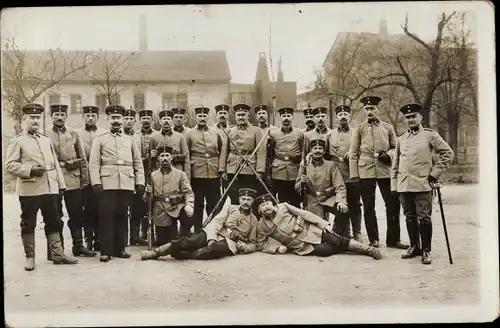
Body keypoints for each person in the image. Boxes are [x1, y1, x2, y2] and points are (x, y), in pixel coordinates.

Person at [5, 103, 78, 270]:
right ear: (24, 119)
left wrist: (61, 184)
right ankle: (30, 258)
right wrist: (29, 170)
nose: (35, 120)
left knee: (54, 221)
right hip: (30, 189)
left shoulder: (45, 140)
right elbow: (9, 165)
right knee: (28, 223)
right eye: (32, 117)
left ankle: (58, 254)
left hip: (49, 189)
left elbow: (55, 165)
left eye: (38, 117)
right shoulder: (18, 141)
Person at [392, 103, 454, 264]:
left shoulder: (429, 135)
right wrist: (394, 186)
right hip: (404, 185)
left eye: (413, 116)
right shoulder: (401, 139)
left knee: (424, 218)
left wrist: (434, 174)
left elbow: (447, 153)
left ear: (420, 118)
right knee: (409, 217)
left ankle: (426, 250)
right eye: (408, 117)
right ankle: (414, 247)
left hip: (422, 183)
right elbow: (396, 164)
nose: (411, 119)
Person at [349, 95, 409, 249]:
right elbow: (353, 152)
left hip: (385, 170)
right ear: (364, 110)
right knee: (369, 206)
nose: (369, 111)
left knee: (393, 204)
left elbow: (396, 148)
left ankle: (393, 239)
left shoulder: (387, 127)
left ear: (378, 109)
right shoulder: (359, 129)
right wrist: (354, 175)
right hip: (365, 170)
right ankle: (373, 239)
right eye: (367, 109)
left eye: (372, 108)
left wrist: (387, 155)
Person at [89, 105, 145, 262]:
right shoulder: (100, 140)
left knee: (122, 216)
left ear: (122, 120)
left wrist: (140, 181)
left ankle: (120, 248)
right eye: (113, 118)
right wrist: (96, 183)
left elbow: (137, 162)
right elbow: (93, 164)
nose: (116, 121)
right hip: (107, 184)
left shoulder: (130, 140)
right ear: (108, 119)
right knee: (106, 216)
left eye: (118, 118)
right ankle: (106, 250)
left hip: (126, 183)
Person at [140, 188, 259, 261]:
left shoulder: (254, 220)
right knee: (189, 241)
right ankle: (156, 253)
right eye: (243, 199)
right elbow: (217, 221)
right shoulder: (231, 208)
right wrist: (212, 237)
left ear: (253, 202)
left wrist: (245, 248)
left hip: (230, 242)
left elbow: (253, 244)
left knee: (211, 250)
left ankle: (185, 255)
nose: (245, 202)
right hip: (215, 232)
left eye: (249, 200)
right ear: (239, 199)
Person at [254, 194, 382, 260]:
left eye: (268, 203)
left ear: (272, 203)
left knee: (336, 240)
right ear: (259, 210)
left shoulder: (283, 207)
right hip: (301, 246)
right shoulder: (261, 226)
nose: (267, 207)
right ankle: (346, 244)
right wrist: (276, 248)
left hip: (312, 231)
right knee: (325, 251)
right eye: (263, 206)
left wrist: (323, 224)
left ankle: (368, 250)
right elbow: (261, 244)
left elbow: (305, 214)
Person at [46, 104, 96, 258]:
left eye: (62, 115)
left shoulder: (73, 133)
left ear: (66, 117)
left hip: (73, 180)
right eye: (56, 115)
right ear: (51, 116)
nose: (59, 117)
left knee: (76, 214)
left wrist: (85, 180)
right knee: (55, 215)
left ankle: (78, 246)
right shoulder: (44, 134)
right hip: (53, 180)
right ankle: (56, 250)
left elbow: (82, 159)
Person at [186, 106, 227, 232]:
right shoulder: (189, 134)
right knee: (198, 203)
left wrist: (221, 169)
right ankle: (198, 230)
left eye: (204, 116)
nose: (202, 118)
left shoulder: (216, 132)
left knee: (214, 203)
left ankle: (213, 229)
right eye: (200, 116)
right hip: (196, 173)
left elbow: (222, 151)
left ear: (208, 117)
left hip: (213, 173)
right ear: (196, 117)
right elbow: (186, 154)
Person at [325, 105, 363, 242]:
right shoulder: (330, 135)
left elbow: (363, 149)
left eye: (345, 114)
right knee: (340, 203)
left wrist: (354, 153)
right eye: (340, 114)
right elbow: (326, 155)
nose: (342, 116)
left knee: (355, 204)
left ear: (349, 116)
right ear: (336, 117)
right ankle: (344, 233)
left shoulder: (356, 133)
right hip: (337, 173)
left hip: (352, 173)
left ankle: (357, 232)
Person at [143, 146, 195, 245]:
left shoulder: (180, 174)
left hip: (177, 207)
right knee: (163, 242)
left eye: (167, 155)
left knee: (189, 217)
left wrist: (189, 204)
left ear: (171, 157)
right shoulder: (152, 175)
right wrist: (147, 193)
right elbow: (147, 200)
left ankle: (182, 242)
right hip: (161, 209)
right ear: (158, 158)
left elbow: (188, 192)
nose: (165, 158)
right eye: (162, 156)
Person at [295, 139, 349, 234]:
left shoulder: (331, 165)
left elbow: (339, 185)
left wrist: (341, 201)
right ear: (311, 151)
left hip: (327, 198)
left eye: (320, 148)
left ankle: (338, 235)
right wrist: (302, 182)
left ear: (324, 151)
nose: (317, 151)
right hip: (312, 200)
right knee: (318, 230)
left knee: (343, 210)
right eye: (315, 148)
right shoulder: (304, 165)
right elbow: (296, 187)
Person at [78, 105, 107, 252]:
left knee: (100, 209)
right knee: (86, 211)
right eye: (87, 116)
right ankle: (87, 239)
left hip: (100, 178)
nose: (90, 118)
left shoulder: (103, 133)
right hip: (83, 179)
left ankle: (99, 239)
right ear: (83, 117)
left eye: (93, 116)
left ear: (97, 117)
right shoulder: (76, 134)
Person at [225, 104, 266, 204]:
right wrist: (223, 169)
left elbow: (261, 151)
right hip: (232, 168)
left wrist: (260, 171)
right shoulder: (230, 131)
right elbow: (225, 151)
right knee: (234, 197)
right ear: (235, 117)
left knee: (248, 196)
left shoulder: (256, 130)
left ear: (248, 116)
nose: (241, 117)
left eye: (243, 115)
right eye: (238, 115)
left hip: (249, 168)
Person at [131, 109, 157, 246]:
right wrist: (146, 157)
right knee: (138, 206)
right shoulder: (134, 136)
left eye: (148, 118)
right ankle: (135, 236)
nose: (146, 120)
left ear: (152, 120)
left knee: (152, 205)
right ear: (140, 120)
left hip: (154, 174)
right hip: (139, 174)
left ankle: (149, 233)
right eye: (143, 118)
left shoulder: (156, 135)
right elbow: (135, 158)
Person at [268, 107, 304, 207]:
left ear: (292, 117)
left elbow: (303, 150)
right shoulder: (274, 134)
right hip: (279, 171)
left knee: (295, 199)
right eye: (284, 116)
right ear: (280, 118)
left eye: (288, 116)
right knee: (281, 199)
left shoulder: (299, 133)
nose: (286, 118)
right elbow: (270, 153)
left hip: (294, 169)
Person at [150, 109, 190, 182]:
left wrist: (187, 178)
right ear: (160, 121)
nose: (166, 121)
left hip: (177, 171)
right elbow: (151, 159)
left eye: (168, 119)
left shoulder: (180, 137)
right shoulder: (153, 137)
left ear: (172, 121)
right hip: (159, 172)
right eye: (164, 119)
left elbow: (186, 158)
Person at [254, 104, 278, 194]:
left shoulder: (275, 130)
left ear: (267, 115)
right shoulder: (253, 130)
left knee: (270, 190)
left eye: (263, 113)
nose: (261, 115)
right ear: (256, 116)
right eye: (259, 113)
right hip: (256, 164)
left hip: (270, 165)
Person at [212, 104, 232, 193]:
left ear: (228, 116)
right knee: (216, 191)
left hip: (228, 163)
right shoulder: (210, 130)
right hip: (214, 163)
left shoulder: (232, 130)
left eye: (225, 113)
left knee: (229, 190)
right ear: (216, 115)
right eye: (220, 113)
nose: (222, 115)